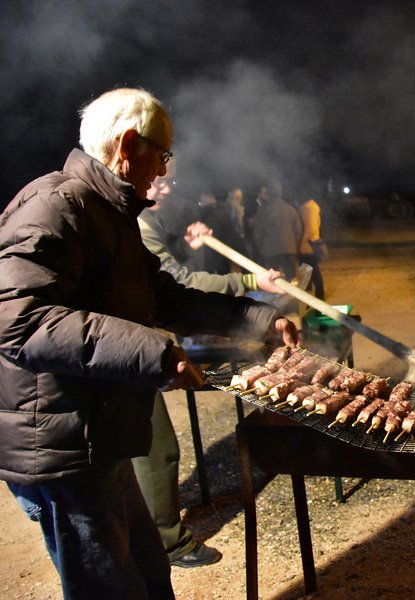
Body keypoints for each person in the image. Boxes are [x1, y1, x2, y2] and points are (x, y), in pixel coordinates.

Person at [0, 87, 301, 599]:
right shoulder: (55, 204)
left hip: (101, 438)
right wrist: (153, 352)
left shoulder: (111, 215)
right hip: (62, 449)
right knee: (110, 589)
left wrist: (258, 317)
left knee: (149, 577)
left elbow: (164, 297)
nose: (163, 171)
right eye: (162, 155)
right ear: (127, 145)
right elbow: (19, 320)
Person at [136, 176, 293, 569]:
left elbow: (165, 277)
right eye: (159, 178)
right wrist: (250, 281)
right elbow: (178, 287)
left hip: (131, 343)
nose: (168, 187)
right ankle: (166, 543)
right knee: (155, 449)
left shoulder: (141, 221)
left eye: (171, 178)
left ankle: (147, 531)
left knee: (146, 448)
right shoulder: (134, 222)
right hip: (129, 344)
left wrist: (184, 251)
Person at [251, 183, 303, 281]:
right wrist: (293, 244)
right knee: (291, 278)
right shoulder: (290, 208)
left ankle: (277, 295)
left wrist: (262, 248)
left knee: (274, 279)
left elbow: (257, 233)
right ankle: (291, 295)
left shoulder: (263, 210)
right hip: (288, 249)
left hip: (269, 251)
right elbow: (298, 230)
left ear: (269, 194)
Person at [297, 196, 326, 299]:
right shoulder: (307, 207)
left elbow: (310, 229)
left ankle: (319, 295)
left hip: (309, 245)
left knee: (312, 271)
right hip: (308, 245)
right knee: (308, 271)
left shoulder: (309, 208)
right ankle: (312, 295)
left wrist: (301, 242)